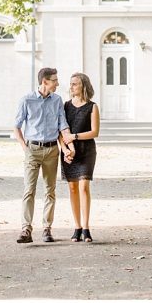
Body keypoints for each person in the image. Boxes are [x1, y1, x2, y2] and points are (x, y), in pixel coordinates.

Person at [12, 67, 75, 243]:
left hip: (52, 150)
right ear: (45, 81)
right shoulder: (27, 100)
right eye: (55, 80)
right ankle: (26, 230)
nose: (58, 83)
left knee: (50, 191)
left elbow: (63, 125)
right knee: (29, 190)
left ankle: (47, 229)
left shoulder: (57, 100)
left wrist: (69, 146)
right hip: (32, 149)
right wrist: (25, 148)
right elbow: (16, 126)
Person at [58, 72, 100, 243]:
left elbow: (95, 132)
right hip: (69, 152)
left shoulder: (92, 106)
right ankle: (77, 227)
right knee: (73, 189)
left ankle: (86, 227)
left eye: (75, 83)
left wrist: (74, 137)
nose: (72, 86)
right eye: (71, 84)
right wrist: (65, 149)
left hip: (87, 151)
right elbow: (60, 131)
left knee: (83, 187)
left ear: (83, 85)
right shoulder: (65, 106)